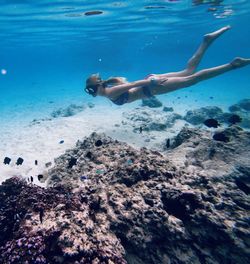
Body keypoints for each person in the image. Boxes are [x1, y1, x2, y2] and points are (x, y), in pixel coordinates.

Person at [84, 26, 250, 105]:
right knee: (189, 71)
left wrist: (152, 82)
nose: (91, 93)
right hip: (151, 81)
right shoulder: (108, 90)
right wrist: (151, 80)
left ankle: (233, 65)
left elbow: (134, 85)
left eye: (91, 90)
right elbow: (133, 85)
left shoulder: (110, 92)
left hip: (153, 86)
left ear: (97, 87)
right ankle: (206, 41)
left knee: (194, 78)